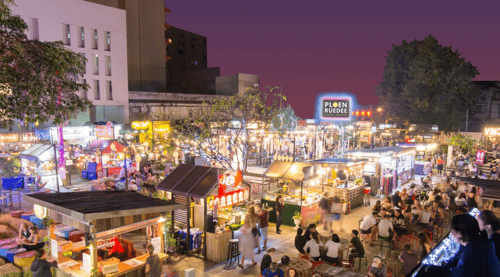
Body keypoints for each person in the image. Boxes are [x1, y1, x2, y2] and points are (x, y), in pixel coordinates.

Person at [422, 214, 500, 277]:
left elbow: (457, 274)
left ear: (460, 233)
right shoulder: (479, 242)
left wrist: (429, 269)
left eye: (452, 231)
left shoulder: (472, 252)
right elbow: (456, 259)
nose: (451, 235)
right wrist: (442, 268)